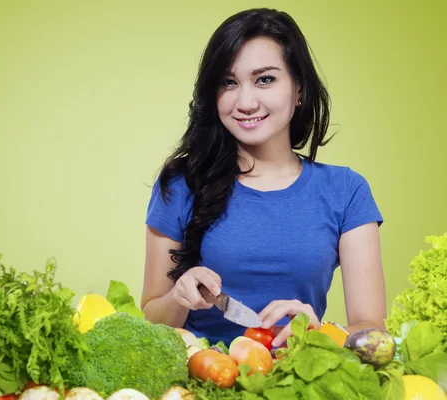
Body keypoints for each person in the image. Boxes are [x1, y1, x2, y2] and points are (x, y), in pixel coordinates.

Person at [140, 8, 387, 348]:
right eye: (229, 83)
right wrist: (178, 296)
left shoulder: (346, 191)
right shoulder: (182, 184)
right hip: (200, 381)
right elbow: (152, 317)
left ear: (298, 88)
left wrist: (319, 334)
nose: (245, 102)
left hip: (297, 381)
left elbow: (372, 329)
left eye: (265, 79)